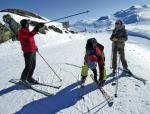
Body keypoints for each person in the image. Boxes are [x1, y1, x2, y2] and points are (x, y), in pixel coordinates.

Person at [18, 19, 44, 84]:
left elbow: (31, 41)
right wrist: (37, 27)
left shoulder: (27, 31)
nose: (28, 25)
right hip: (27, 52)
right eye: (27, 24)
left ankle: (29, 77)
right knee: (28, 66)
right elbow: (30, 35)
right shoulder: (22, 31)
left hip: (33, 50)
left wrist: (35, 47)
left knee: (33, 65)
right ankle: (23, 79)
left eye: (28, 24)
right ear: (24, 24)